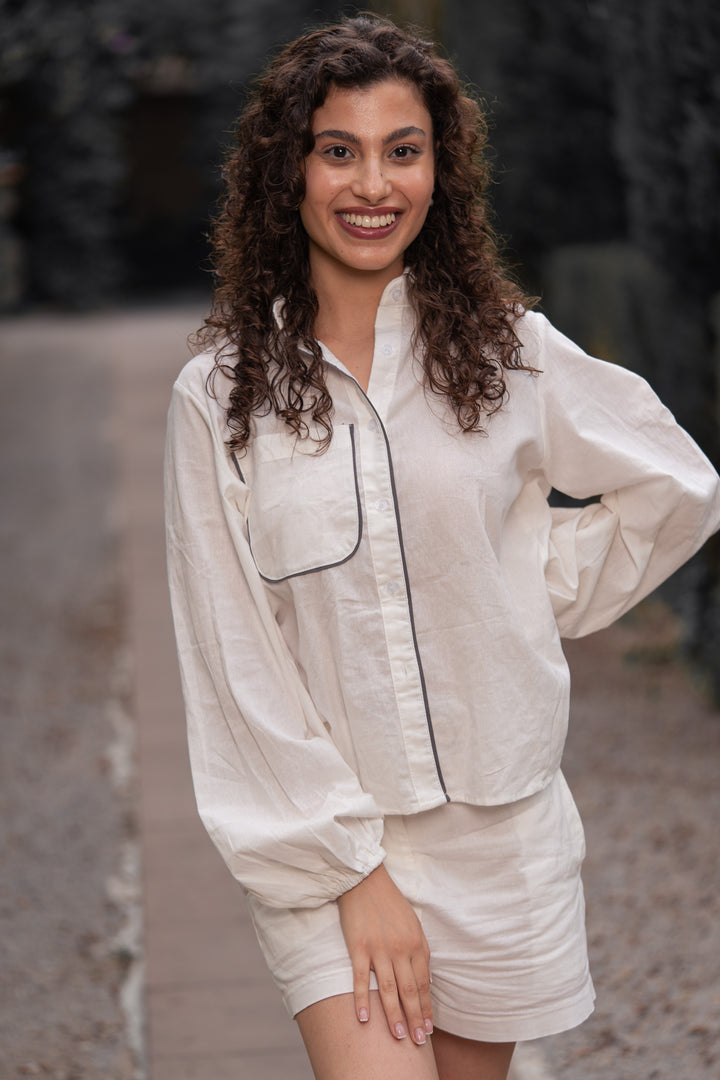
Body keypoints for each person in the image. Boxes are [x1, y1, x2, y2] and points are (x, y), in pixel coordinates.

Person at [164, 14, 720, 1080]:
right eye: (340, 151)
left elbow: (677, 485)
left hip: (499, 835)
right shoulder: (220, 397)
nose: (373, 184)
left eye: (402, 150)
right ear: (289, 172)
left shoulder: (512, 354)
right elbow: (237, 660)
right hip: (324, 842)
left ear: (439, 171)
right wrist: (352, 874)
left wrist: (522, 589)